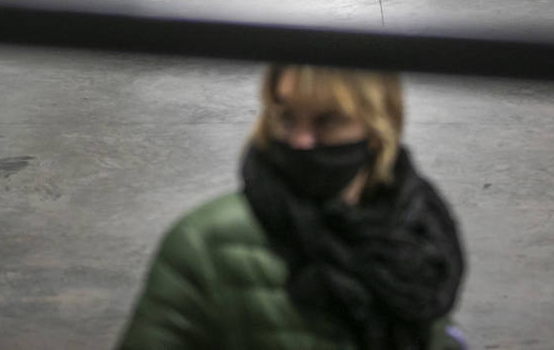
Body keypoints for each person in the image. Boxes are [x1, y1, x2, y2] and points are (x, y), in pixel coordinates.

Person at [118, 66, 467, 350]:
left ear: (379, 129)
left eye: (328, 121)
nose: (301, 141)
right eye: (287, 118)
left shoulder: (417, 234)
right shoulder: (204, 245)